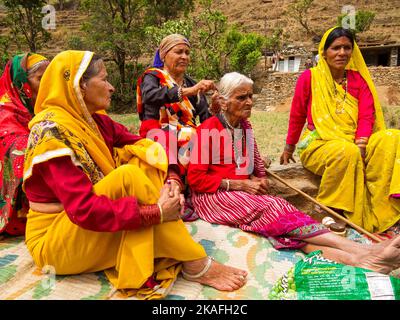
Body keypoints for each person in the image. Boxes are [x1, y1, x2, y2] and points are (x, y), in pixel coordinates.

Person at [22, 50, 247, 299]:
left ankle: (173, 239)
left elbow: (148, 142)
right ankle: (195, 261)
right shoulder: (51, 135)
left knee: (144, 156)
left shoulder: (94, 122)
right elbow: (84, 210)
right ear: (80, 85)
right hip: (55, 242)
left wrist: (172, 178)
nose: (112, 88)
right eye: (105, 80)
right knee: (127, 176)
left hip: (88, 227)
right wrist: (155, 213)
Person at [187, 71, 400, 275]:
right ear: (224, 102)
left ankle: (359, 259)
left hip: (242, 195)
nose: (250, 102)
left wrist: (259, 179)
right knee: (276, 207)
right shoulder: (207, 130)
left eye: (251, 96)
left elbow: (256, 164)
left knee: (288, 231)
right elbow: (196, 180)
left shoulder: (245, 127)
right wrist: (240, 184)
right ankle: (362, 250)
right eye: (242, 97)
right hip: (212, 197)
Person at [280, 27, 400, 235]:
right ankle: (330, 209)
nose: (342, 53)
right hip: (320, 144)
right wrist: (289, 147)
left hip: (356, 142)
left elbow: (366, 115)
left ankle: (390, 204)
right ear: (324, 52)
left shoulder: (358, 80)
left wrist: (362, 143)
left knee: (393, 136)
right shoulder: (310, 78)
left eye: (347, 48)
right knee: (346, 151)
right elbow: (297, 114)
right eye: (336, 48)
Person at [0, 53, 49, 236]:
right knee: (21, 148)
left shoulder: (39, 108)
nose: (46, 85)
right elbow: (13, 142)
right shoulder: (5, 112)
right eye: (40, 79)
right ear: (21, 84)